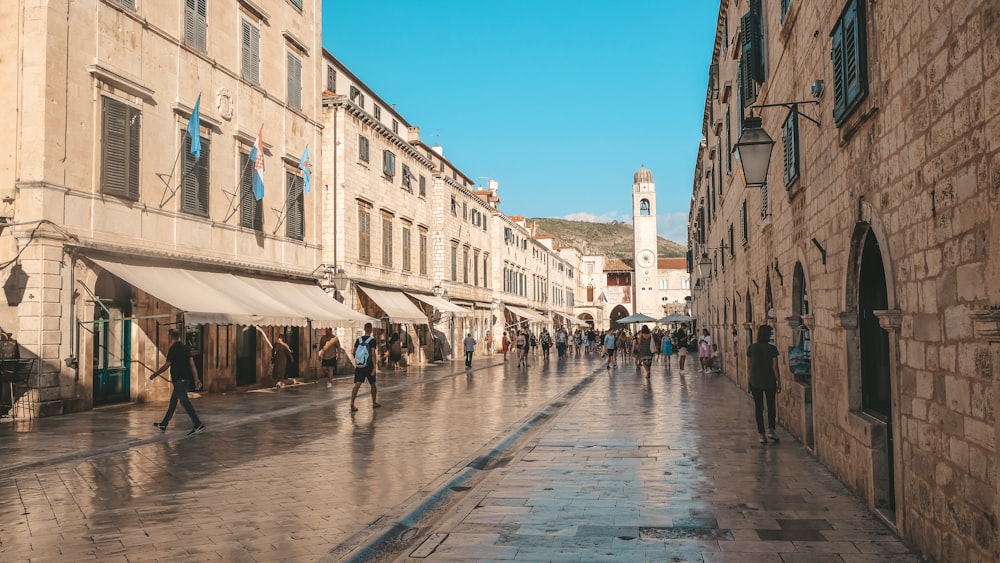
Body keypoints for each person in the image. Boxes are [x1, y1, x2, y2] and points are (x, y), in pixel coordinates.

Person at [150, 329, 205, 435]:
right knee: (173, 403)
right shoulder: (186, 348)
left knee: (185, 402)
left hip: (178, 380)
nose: (168, 338)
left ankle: (198, 424)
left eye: (168, 336)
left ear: (170, 337)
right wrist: (196, 378)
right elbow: (192, 365)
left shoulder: (173, 349)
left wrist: (155, 374)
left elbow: (167, 365)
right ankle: (163, 424)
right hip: (186, 379)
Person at [747, 324, 781, 443]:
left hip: (755, 381)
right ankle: (771, 431)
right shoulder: (772, 349)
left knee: (758, 408)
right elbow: (775, 367)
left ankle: (761, 435)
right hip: (769, 381)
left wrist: (748, 382)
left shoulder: (752, 348)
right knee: (771, 406)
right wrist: (779, 382)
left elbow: (749, 367)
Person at [350, 322, 379, 412]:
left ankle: (352, 402)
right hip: (369, 365)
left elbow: (353, 351)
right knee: (372, 384)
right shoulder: (372, 340)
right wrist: (374, 367)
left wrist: (358, 359)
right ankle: (374, 402)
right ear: (370, 330)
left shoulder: (359, 340)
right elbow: (373, 354)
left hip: (360, 366)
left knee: (357, 384)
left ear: (364, 329)